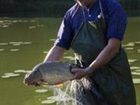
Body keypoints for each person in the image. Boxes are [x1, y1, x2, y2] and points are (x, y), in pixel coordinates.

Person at [25, 0, 136, 105]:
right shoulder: (70, 15)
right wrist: (41, 73)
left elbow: (113, 47)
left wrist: (90, 69)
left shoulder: (112, 7)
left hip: (114, 77)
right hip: (82, 77)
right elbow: (59, 46)